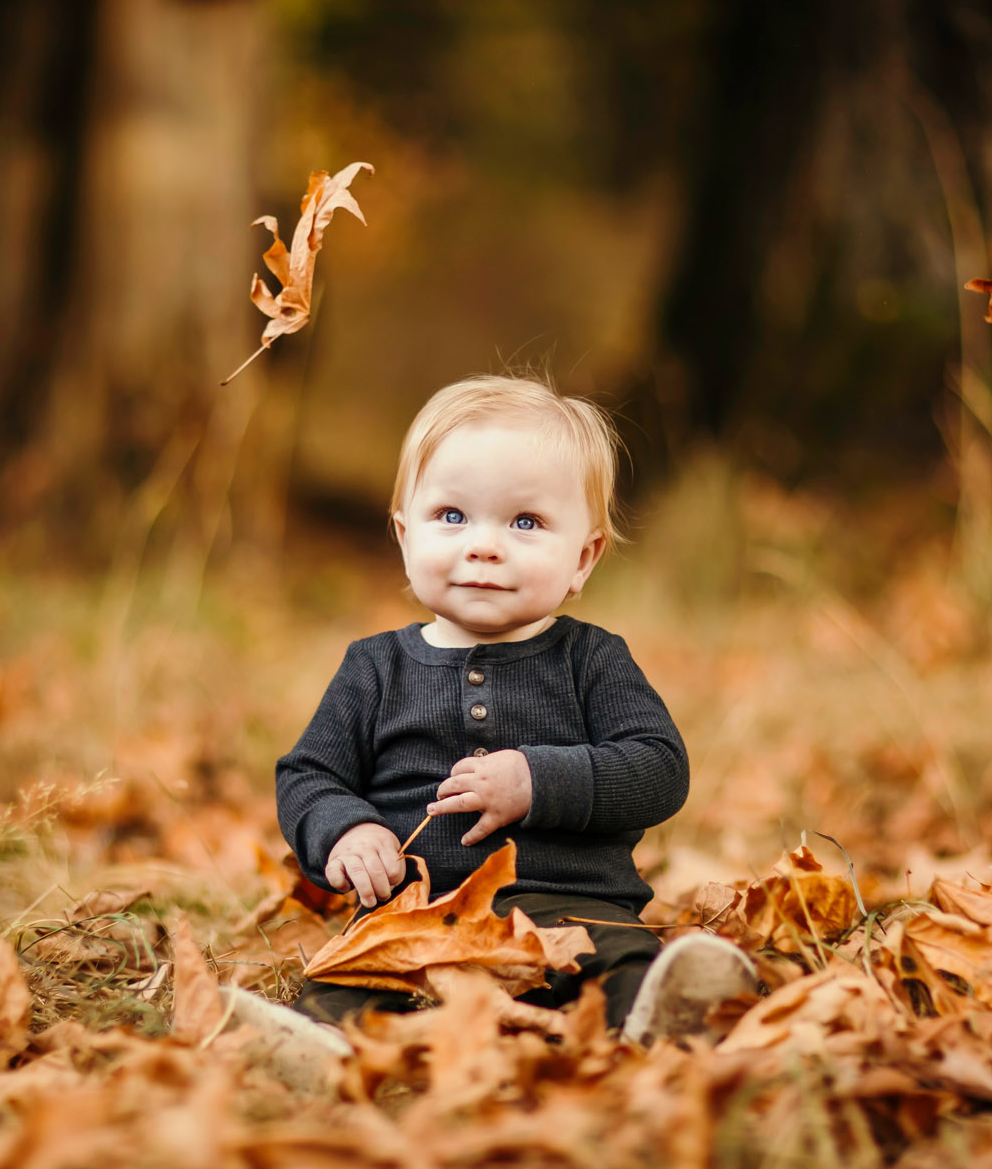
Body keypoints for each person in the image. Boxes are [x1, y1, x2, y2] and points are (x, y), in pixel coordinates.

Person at [222, 375, 755, 1086]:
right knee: (352, 979)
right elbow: (309, 774)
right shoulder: (374, 668)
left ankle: (654, 1020)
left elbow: (659, 767)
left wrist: (541, 780)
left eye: (525, 523)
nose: (484, 546)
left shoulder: (593, 660)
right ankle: (327, 1053)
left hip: (570, 909)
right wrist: (346, 830)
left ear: (584, 558)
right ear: (405, 536)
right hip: (415, 914)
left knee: (620, 957)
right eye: (451, 516)